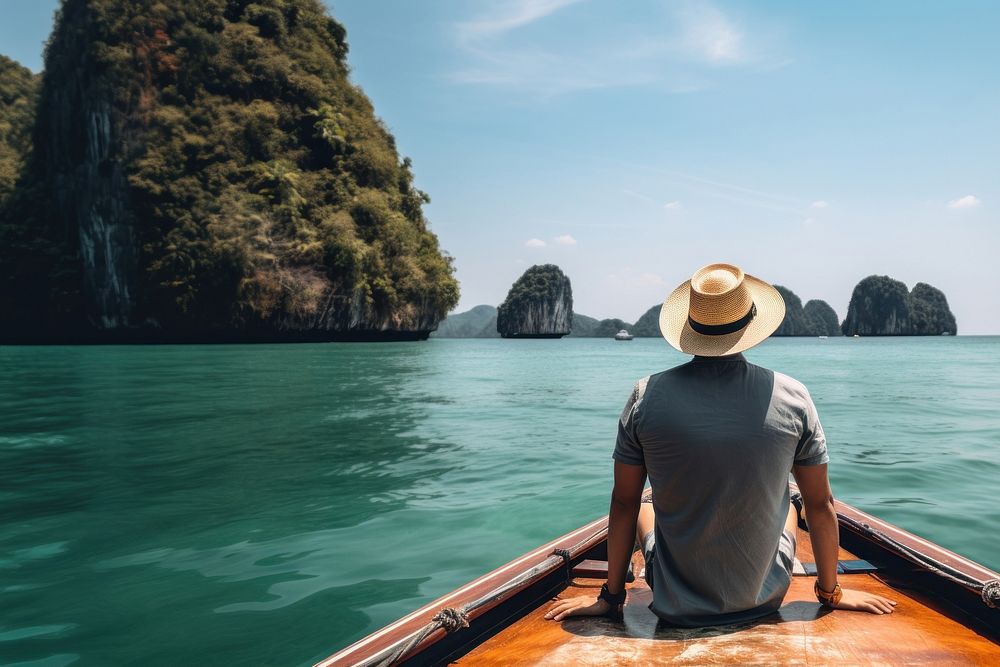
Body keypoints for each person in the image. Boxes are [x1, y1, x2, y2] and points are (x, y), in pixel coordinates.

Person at [545, 263, 896, 625]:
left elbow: (623, 502)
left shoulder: (645, 396)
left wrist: (611, 598)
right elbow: (821, 503)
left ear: (690, 327)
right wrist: (830, 593)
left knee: (644, 503)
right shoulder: (794, 396)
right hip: (764, 596)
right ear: (749, 324)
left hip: (674, 601)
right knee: (794, 506)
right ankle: (789, 507)